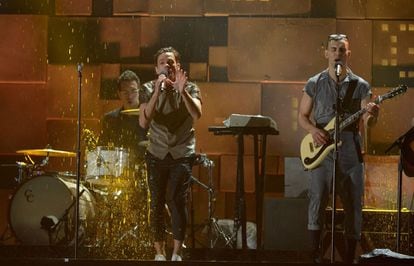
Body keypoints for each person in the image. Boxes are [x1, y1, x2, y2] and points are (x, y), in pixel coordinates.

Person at [298, 34, 379, 263]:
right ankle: (315, 256)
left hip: (350, 149)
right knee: (317, 200)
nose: (337, 54)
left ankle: (349, 259)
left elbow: (367, 121)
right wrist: (314, 130)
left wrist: (374, 115)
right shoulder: (315, 82)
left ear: (348, 54)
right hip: (322, 149)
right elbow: (302, 116)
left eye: (342, 50)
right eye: (333, 49)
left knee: (353, 204)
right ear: (326, 52)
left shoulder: (361, 85)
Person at [139, 47, 202, 261]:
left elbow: (197, 114)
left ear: (178, 66)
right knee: (156, 201)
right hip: (156, 153)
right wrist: (158, 91)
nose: (168, 65)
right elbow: (143, 121)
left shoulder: (191, 88)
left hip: (181, 153)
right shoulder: (147, 88)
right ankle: (159, 253)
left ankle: (176, 252)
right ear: (157, 68)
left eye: (171, 62)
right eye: (163, 62)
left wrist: (182, 90)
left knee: (177, 199)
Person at [99, 69, 147, 159]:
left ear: (139, 91)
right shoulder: (110, 118)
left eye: (133, 91)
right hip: (118, 166)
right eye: (125, 92)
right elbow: (102, 148)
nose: (130, 96)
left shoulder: (149, 117)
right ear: (119, 94)